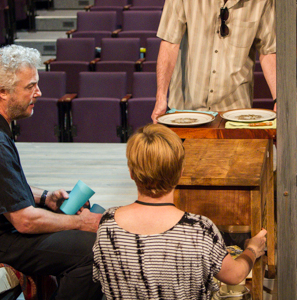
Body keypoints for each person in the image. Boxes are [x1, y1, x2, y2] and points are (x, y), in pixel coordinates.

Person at [0, 45, 103, 300]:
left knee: (87, 213)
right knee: (97, 250)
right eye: (30, 86)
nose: (38, 92)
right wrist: (80, 223)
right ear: (2, 91)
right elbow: (24, 222)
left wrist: (45, 197)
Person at [92, 124, 267, 299]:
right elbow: (235, 275)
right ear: (180, 173)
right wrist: (252, 249)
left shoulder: (108, 224)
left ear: (131, 172)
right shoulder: (200, 229)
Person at [151, 0, 276, 122]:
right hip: (186, 107)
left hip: (235, 110)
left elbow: (268, 51)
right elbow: (170, 43)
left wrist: (279, 98)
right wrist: (160, 97)